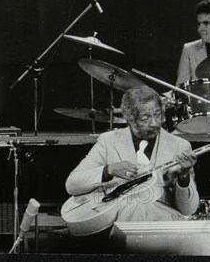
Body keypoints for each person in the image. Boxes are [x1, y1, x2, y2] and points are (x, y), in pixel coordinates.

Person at [66, 85, 200, 224]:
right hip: (118, 220)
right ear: (130, 119)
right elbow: (72, 184)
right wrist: (108, 170)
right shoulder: (109, 141)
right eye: (145, 118)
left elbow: (188, 210)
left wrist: (184, 178)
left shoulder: (180, 145)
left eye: (158, 114)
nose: (155, 123)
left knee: (139, 207)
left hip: (163, 222)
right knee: (134, 208)